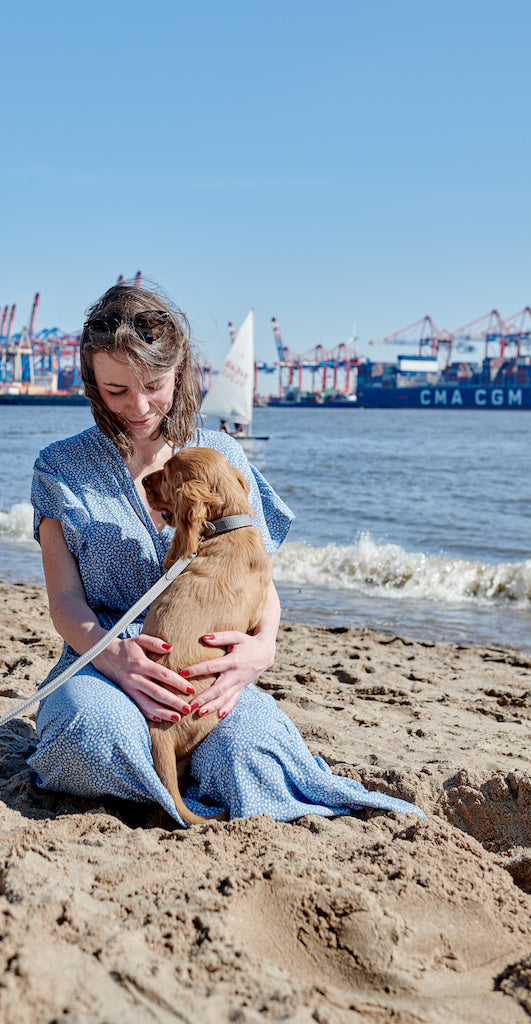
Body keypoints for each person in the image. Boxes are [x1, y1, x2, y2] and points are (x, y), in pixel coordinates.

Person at [29, 281, 423, 825]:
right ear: (92, 381)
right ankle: (173, 776)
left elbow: (258, 581)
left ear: (180, 370)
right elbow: (65, 603)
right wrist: (116, 659)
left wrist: (261, 651)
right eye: (117, 390)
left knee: (254, 752)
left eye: (154, 385)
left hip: (210, 679)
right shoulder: (61, 466)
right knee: (92, 737)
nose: (139, 407)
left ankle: (171, 777)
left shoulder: (219, 455)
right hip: (101, 666)